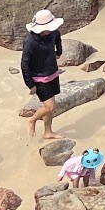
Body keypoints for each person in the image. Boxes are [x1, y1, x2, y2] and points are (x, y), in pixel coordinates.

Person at [21, 10, 64, 140]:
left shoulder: (53, 33)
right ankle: (32, 120)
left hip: (52, 72)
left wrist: (58, 52)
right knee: (50, 106)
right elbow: (24, 64)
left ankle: (48, 132)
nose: (49, 31)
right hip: (38, 78)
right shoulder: (30, 42)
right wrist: (30, 84)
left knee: (49, 107)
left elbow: (57, 39)